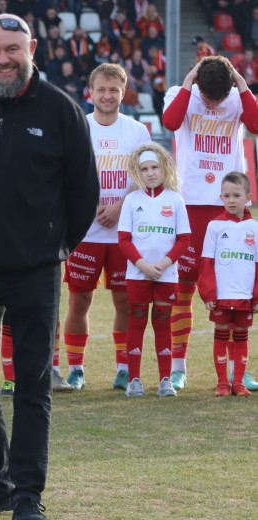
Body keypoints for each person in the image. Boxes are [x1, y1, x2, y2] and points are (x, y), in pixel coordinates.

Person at [0, 14, 97, 520]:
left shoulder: (61, 110)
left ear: (32, 47)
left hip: (34, 271)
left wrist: (52, 245)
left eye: (12, 48)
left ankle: (27, 493)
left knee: (31, 387)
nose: (2, 59)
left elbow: (83, 193)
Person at [161, 56, 258, 391]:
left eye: (219, 100)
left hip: (229, 206)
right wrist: (189, 83)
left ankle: (239, 370)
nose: (214, 105)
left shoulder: (237, 97)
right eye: (208, 99)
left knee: (238, 290)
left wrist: (242, 85)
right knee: (183, 289)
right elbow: (171, 123)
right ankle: (177, 367)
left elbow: (257, 124)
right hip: (190, 206)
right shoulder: (181, 93)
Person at [58, 63, 152, 392]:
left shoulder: (138, 131)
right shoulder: (77, 127)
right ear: (91, 92)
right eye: (102, 89)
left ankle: (123, 368)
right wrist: (88, 206)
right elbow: (66, 178)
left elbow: (146, 177)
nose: (107, 95)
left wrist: (118, 206)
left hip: (125, 231)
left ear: (123, 93)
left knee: (124, 302)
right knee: (79, 300)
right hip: (86, 233)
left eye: (114, 90)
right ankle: (76, 368)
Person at [116, 143, 190, 397]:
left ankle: (165, 380)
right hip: (138, 275)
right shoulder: (131, 200)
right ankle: (134, 380)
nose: (150, 173)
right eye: (144, 168)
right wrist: (143, 266)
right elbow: (124, 239)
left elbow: (184, 240)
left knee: (162, 325)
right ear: (137, 172)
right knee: (136, 323)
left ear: (164, 168)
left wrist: (162, 265)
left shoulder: (175, 199)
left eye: (154, 167)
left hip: (166, 275)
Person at [198, 171, 257, 397]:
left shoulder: (255, 228)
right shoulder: (214, 226)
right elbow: (206, 263)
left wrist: (256, 297)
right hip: (221, 296)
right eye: (227, 196)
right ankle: (222, 382)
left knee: (242, 336)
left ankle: (239, 382)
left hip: (244, 297)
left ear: (248, 197)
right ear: (221, 198)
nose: (231, 200)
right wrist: (209, 294)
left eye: (236, 195)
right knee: (221, 335)